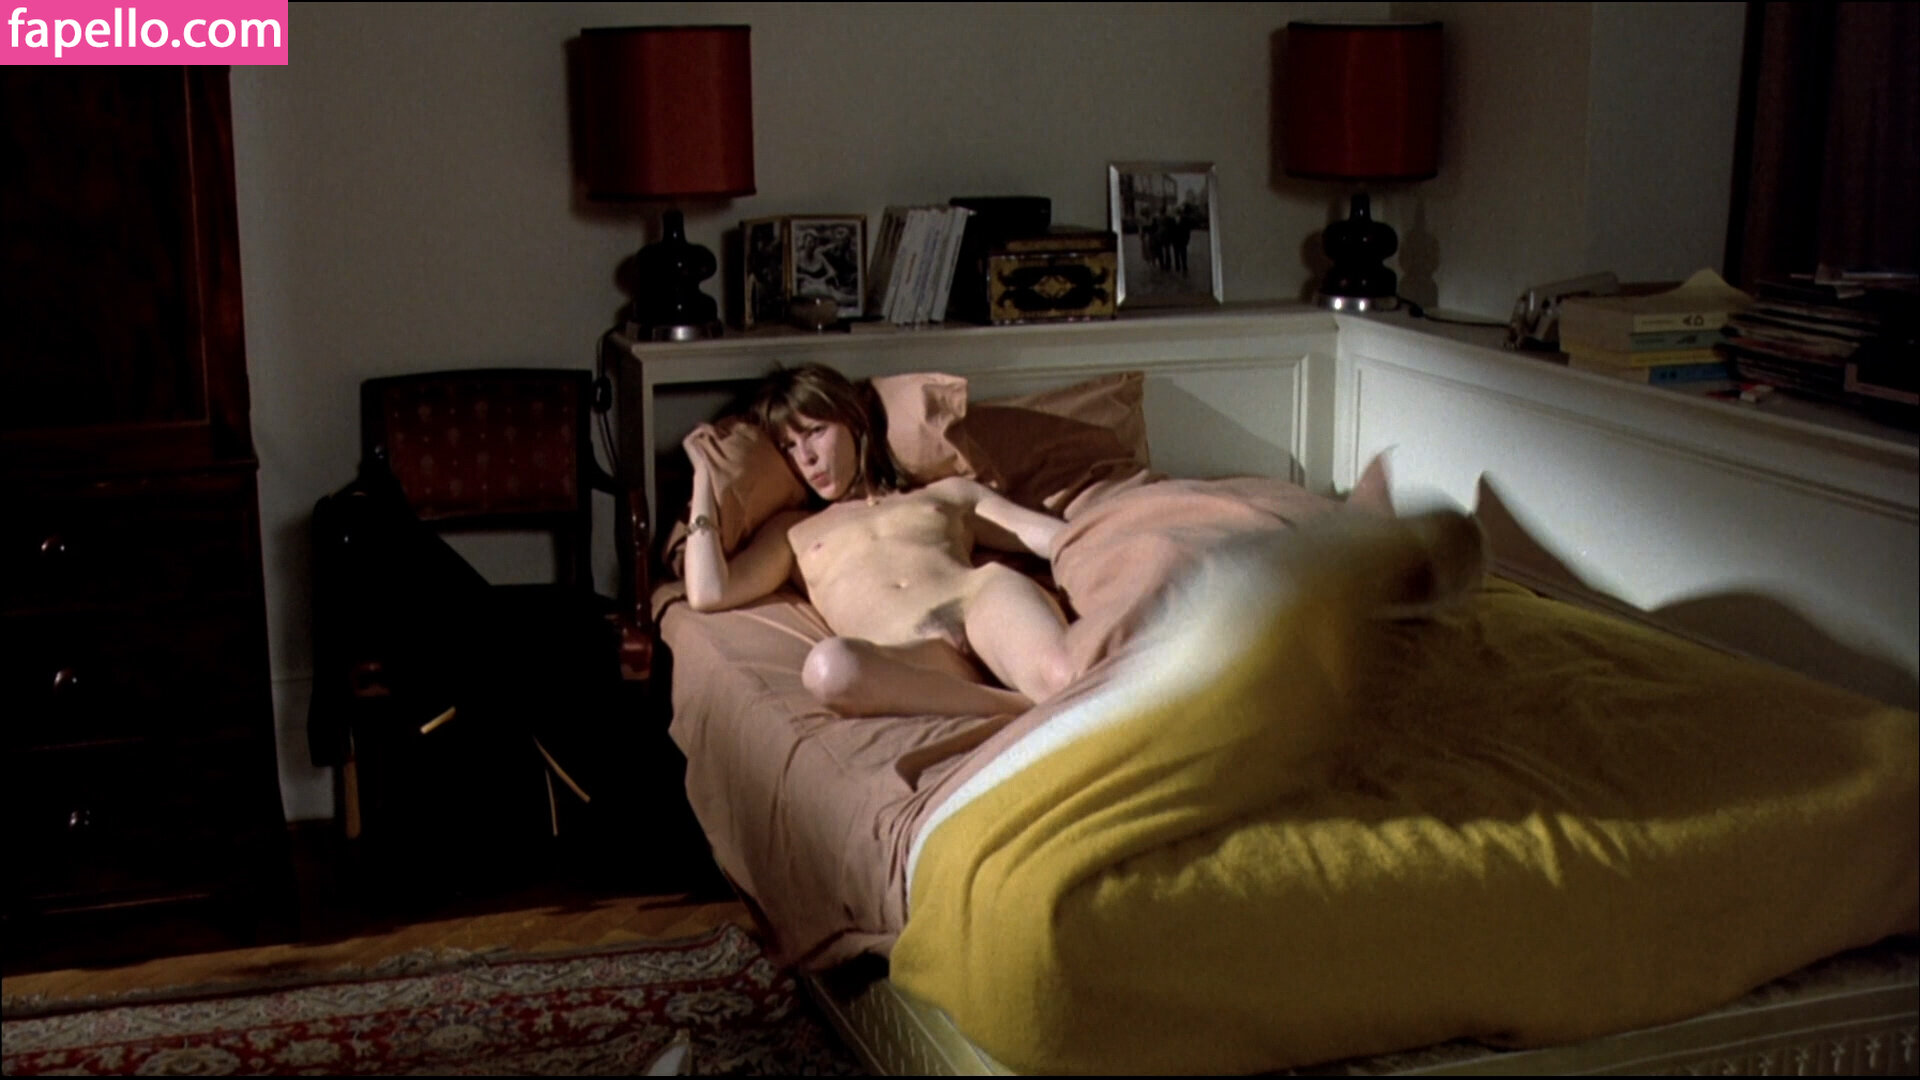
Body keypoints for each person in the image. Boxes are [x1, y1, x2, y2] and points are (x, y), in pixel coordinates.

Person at [681, 364, 1078, 719]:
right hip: (907, 652)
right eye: (789, 446)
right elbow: (708, 592)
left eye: (816, 432)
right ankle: (1016, 708)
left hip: (981, 604)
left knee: (1061, 680)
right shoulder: (792, 531)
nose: (806, 457)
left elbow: (1060, 538)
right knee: (828, 669)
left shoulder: (946, 492)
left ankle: (1052, 699)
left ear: (854, 424)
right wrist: (703, 477)